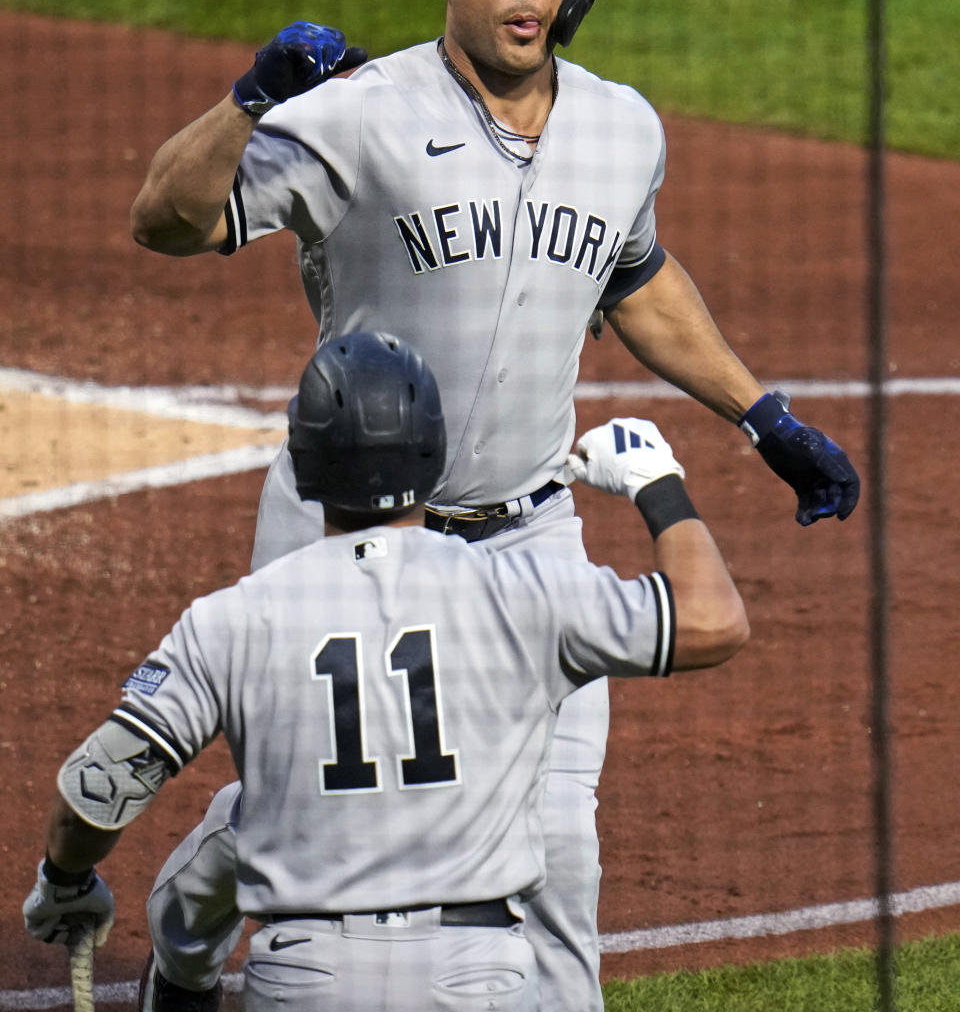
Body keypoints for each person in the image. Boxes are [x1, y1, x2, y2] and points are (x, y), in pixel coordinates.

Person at [127, 0, 858, 1011]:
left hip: (530, 537)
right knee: (298, 808)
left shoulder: (623, 129)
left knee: (560, 850)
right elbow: (166, 220)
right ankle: (181, 943)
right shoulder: (357, 116)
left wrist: (761, 416)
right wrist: (247, 99)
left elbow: (637, 279)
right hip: (345, 534)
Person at [23, 331, 749, 1012]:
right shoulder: (525, 592)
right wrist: (658, 484)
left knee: (224, 840)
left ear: (303, 465)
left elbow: (101, 783)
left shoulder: (236, 617)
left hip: (305, 977)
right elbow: (713, 622)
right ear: (434, 455)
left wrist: (66, 881)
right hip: (478, 978)